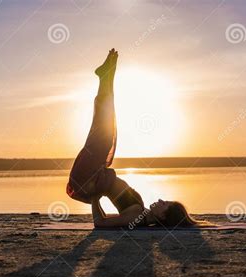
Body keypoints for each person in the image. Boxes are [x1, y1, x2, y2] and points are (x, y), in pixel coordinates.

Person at [66, 49, 198, 228]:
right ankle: (106, 76)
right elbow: (105, 219)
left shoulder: (137, 216)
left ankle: (106, 76)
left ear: (163, 216)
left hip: (89, 179)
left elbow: (100, 223)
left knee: (103, 130)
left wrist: (94, 196)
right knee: (105, 129)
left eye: (165, 204)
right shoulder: (140, 213)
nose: (161, 200)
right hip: (97, 174)